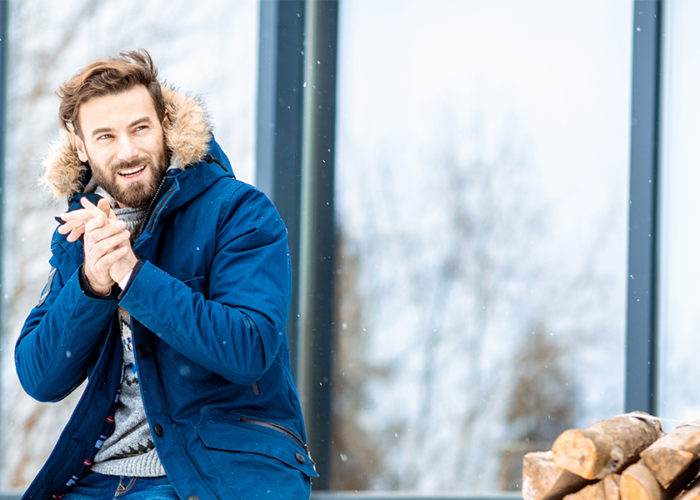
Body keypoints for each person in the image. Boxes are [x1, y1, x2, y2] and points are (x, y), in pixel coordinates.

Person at [15, 49, 317, 500]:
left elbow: (248, 347)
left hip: (219, 474)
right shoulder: (80, 235)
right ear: (80, 146)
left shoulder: (240, 213)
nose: (128, 150)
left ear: (166, 121)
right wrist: (92, 284)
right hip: (101, 481)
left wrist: (131, 274)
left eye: (140, 128)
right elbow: (40, 377)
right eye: (105, 136)